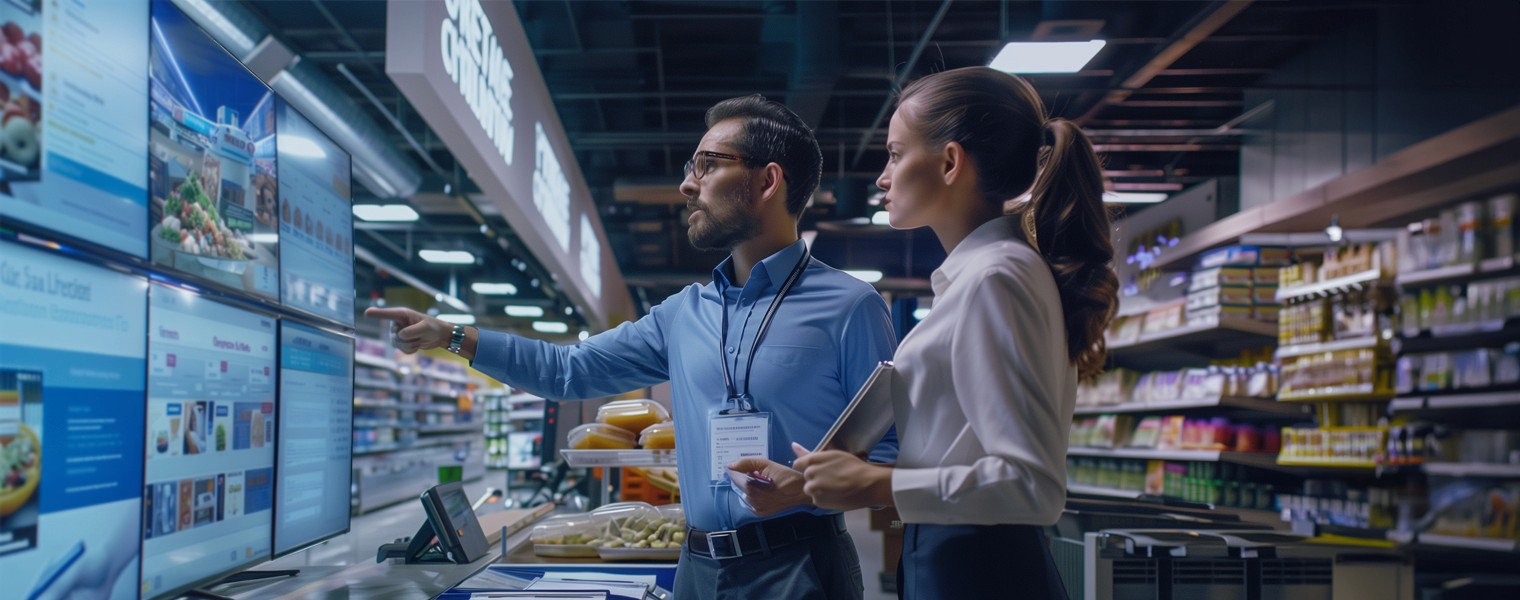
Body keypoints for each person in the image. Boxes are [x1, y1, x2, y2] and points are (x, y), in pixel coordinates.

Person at [367, 95, 897, 600]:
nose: (687, 185)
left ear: (768, 180)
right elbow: (567, 372)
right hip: (695, 569)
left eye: (706, 164)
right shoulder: (683, 313)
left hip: (798, 568)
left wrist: (802, 489)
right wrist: (453, 335)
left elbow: (896, 466)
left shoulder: (849, 307)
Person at [791, 66, 1119, 599]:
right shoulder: (987, 274)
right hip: (962, 557)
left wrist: (879, 482)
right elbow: (966, 453)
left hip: (980, 567)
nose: (881, 176)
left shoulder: (995, 278)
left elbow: (1032, 485)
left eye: (896, 154)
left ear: (949, 162)